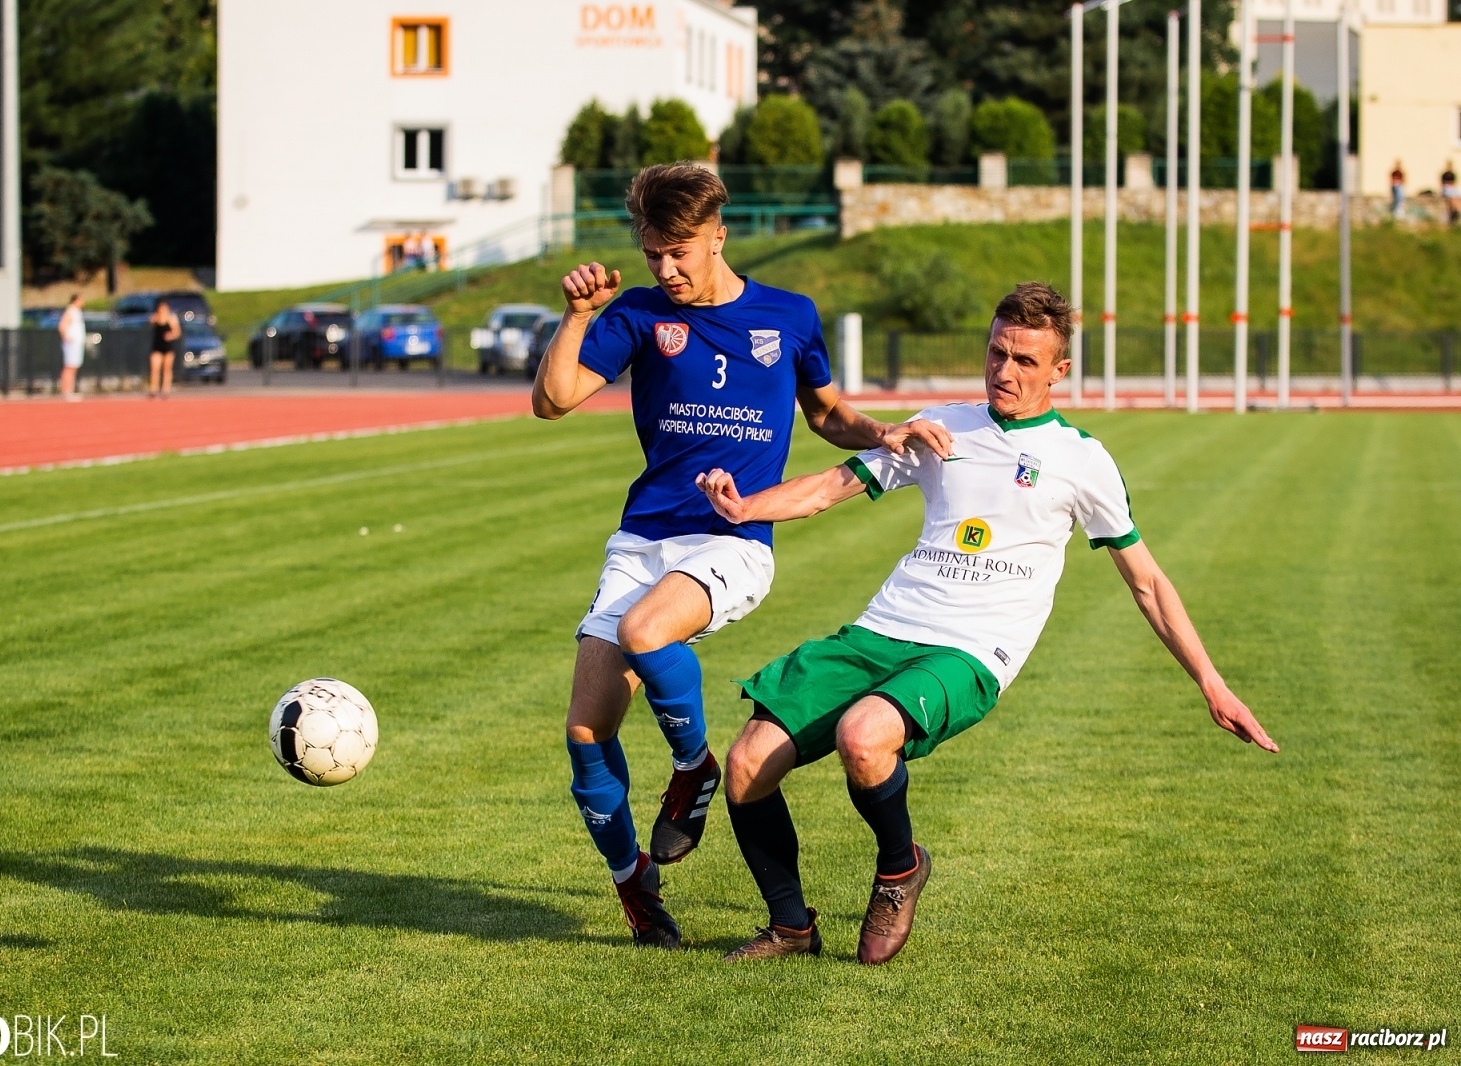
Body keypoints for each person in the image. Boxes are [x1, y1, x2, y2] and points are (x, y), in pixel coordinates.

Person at [696, 281, 1279, 966]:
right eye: (997, 352)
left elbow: (1147, 581)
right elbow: (832, 487)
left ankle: (898, 870)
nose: (1005, 371)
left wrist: (1210, 681)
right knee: (745, 766)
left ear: (1060, 370)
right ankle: (791, 926)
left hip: (971, 651)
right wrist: (746, 508)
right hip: (881, 628)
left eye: (1026, 361)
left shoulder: (1081, 460)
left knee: (864, 737)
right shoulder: (941, 425)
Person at [531, 162, 915, 949]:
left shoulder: (790, 315)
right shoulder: (638, 313)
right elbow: (554, 399)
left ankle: (695, 769)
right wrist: (575, 316)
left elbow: (828, 414)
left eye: (680, 252)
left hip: (733, 538)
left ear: (718, 236)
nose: (666, 270)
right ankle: (633, 884)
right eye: (652, 255)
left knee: (645, 632)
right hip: (642, 538)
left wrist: (880, 434)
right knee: (584, 733)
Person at [148, 298, 180, 398]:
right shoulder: (155, 318)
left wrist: (171, 335)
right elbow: (150, 323)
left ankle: (165, 390)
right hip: (157, 346)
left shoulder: (171, 318)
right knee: (155, 369)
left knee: (167, 369)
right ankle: (153, 389)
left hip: (167, 347)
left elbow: (177, 332)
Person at [57, 293, 85, 401]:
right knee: (69, 367)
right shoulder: (70, 311)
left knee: (73, 367)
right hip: (71, 344)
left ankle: (70, 391)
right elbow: (62, 326)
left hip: (77, 344)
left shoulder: (77, 312)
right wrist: (66, 337)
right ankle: (66, 391)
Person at [1442, 162, 1459, 226]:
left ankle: (1455, 209)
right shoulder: (1445, 174)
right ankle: (1454, 210)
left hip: (1451, 188)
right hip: (1446, 188)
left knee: (1455, 195)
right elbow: (1442, 183)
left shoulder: (1453, 174)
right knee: (1452, 196)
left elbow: (1454, 183)